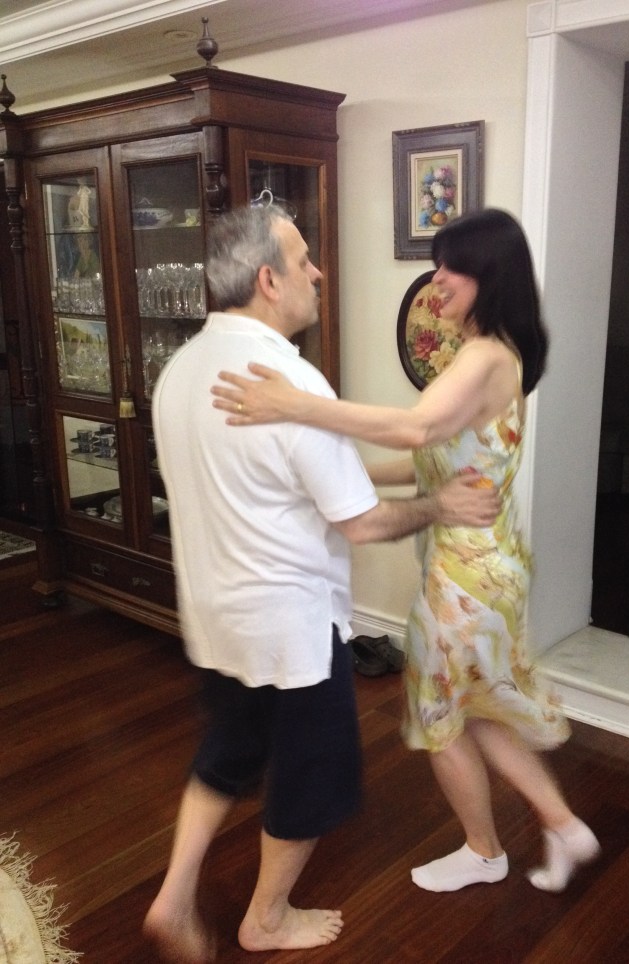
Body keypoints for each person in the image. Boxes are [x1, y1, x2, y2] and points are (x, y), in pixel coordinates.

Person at [144, 205, 500, 963]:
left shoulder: (178, 370)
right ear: (268, 280)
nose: (318, 272)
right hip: (291, 630)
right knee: (312, 778)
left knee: (227, 752)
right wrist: (441, 505)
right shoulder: (289, 380)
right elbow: (363, 524)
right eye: (303, 260)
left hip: (214, 617)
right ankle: (265, 919)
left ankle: (174, 897)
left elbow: (278, 485)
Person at [210, 208, 601, 898]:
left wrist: (292, 405)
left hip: (467, 574)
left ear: (489, 276)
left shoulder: (484, 357)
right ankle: (562, 826)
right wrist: (337, 477)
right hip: (485, 562)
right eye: (437, 264)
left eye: (452, 268)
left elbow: (414, 428)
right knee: (471, 709)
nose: (437, 280)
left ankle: (484, 852)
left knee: (439, 717)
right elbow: (432, 460)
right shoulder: (495, 353)